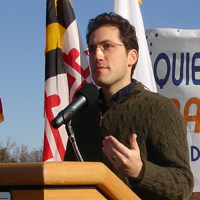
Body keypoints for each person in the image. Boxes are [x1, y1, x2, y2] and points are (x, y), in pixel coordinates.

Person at [64, 12, 194, 199]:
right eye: (92, 49)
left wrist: (140, 171)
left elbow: (183, 185)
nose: (97, 55)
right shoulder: (81, 113)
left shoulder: (159, 109)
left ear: (131, 56)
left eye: (107, 46)